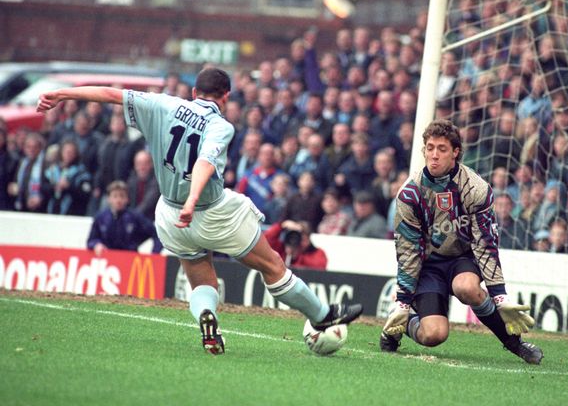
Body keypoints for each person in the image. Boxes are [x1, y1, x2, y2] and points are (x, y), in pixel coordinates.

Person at [37, 67, 363, 355]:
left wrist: (62, 94)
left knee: (200, 278)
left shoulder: (163, 103)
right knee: (272, 265)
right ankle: (322, 314)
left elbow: (110, 93)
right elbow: (205, 161)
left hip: (169, 213)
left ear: (194, 92)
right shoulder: (221, 126)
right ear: (226, 97)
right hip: (211, 211)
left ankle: (209, 318)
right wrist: (193, 200)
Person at [379, 120, 542, 364]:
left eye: (442, 149)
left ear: (455, 152)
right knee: (434, 335)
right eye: (430, 148)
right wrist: (402, 303)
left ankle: (514, 343)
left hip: (462, 259)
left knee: (467, 287)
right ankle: (401, 327)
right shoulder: (410, 193)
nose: (434, 155)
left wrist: (500, 296)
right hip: (428, 267)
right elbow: (408, 251)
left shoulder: (476, 188)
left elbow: (485, 245)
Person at [87, 180, 162, 255]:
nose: (118, 200)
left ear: (127, 199)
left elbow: (157, 234)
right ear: (109, 199)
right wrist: (97, 244)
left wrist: (154, 254)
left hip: (130, 260)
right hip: (107, 259)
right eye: (115, 196)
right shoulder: (101, 217)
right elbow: (91, 240)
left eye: (122, 196)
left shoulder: (135, 217)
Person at [264, 220, 328, 270]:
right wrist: (281, 225)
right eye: (293, 235)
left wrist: (296, 256)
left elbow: (318, 270)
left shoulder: (317, 253)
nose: (295, 239)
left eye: (301, 235)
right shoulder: (282, 249)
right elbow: (266, 240)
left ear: (308, 238)